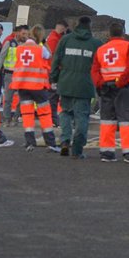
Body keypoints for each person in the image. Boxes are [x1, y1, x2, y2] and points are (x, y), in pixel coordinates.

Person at [91, 21, 129, 164]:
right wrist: (120, 83)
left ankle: (107, 153)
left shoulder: (101, 49)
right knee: (127, 120)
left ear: (109, 34)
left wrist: (101, 84)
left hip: (106, 89)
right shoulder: (128, 47)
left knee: (107, 121)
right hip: (123, 88)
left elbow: (95, 70)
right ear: (123, 32)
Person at [49, 16, 102, 159]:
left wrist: (54, 78)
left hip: (65, 83)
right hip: (85, 86)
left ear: (76, 25)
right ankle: (77, 150)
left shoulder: (65, 40)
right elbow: (101, 66)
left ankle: (65, 140)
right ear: (90, 26)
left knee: (65, 113)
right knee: (82, 117)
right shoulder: (96, 44)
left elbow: (56, 60)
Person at [12, 25, 59, 153]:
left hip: (22, 87)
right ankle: (51, 143)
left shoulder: (19, 48)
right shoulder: (40, 49)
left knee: (27, 115)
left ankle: (29, 143)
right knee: (45, 114)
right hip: (38, 87)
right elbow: (49, 55)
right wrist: (43, 42)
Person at [0, 25, 27, 125]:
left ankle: (16, 117)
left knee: (23, 98)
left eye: (26, 34)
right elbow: (1, 57)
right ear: (17, 33)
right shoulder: (9, 43)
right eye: (23, 33)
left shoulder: (27, 45)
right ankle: (7, 119)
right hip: (9, 74)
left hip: (22, 75)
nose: (25, 36)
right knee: (8, 98)